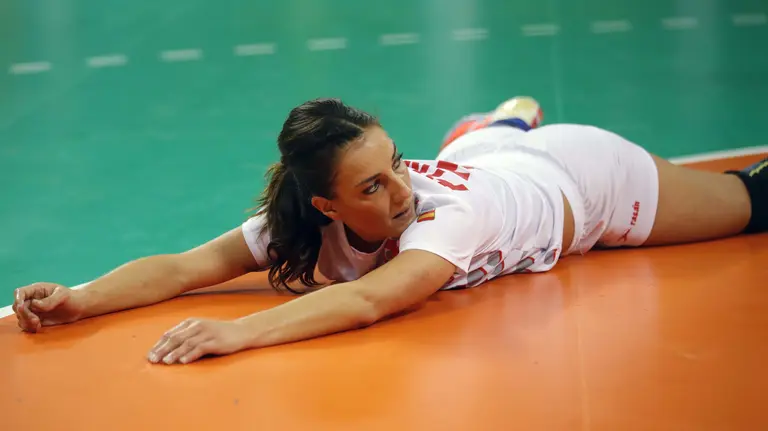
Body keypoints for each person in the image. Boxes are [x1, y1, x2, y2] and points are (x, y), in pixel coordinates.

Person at [11, 97, 767, 365]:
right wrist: (81, 297)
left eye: (396, 164)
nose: (400, 189)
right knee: (470, 151)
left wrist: (239, 332)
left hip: (585, 184)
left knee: (749, 203)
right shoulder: (297, 220)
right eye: (373, 184)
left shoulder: (439, 215)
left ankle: (500, 126)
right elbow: (184, 266)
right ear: (328, 208)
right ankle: (494, 125)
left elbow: (373, 301)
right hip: (482, 162)